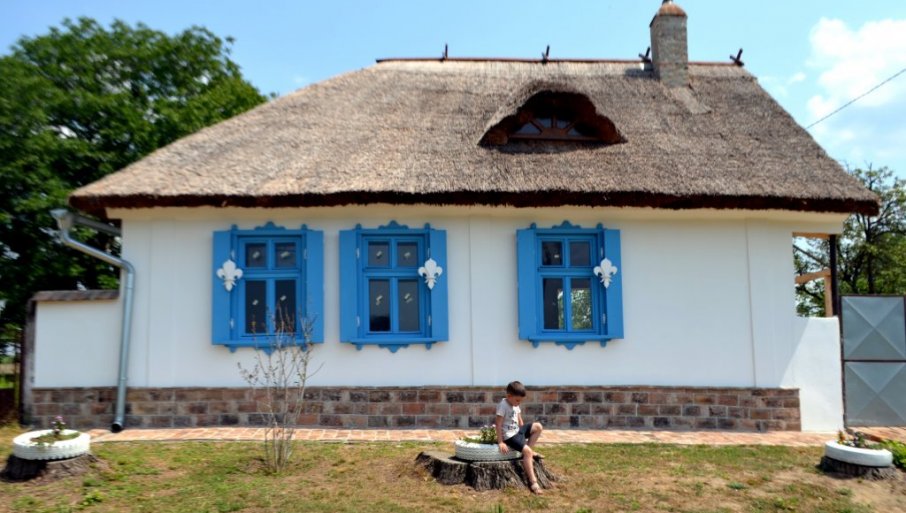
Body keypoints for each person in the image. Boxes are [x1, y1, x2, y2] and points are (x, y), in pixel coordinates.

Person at [495, 380, 545, 494]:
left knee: (538, 426)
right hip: (510, 436)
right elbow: (498, 424)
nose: (519, 403)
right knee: (528, 452)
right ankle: (533, 482)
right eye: (517, 400)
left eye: (521, 401)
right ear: (509, 396)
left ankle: (528, 452)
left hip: (518, 431)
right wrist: (500, 442)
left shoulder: (515, 404)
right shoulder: (503, 405)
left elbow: (520, 420)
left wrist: (523, 433)